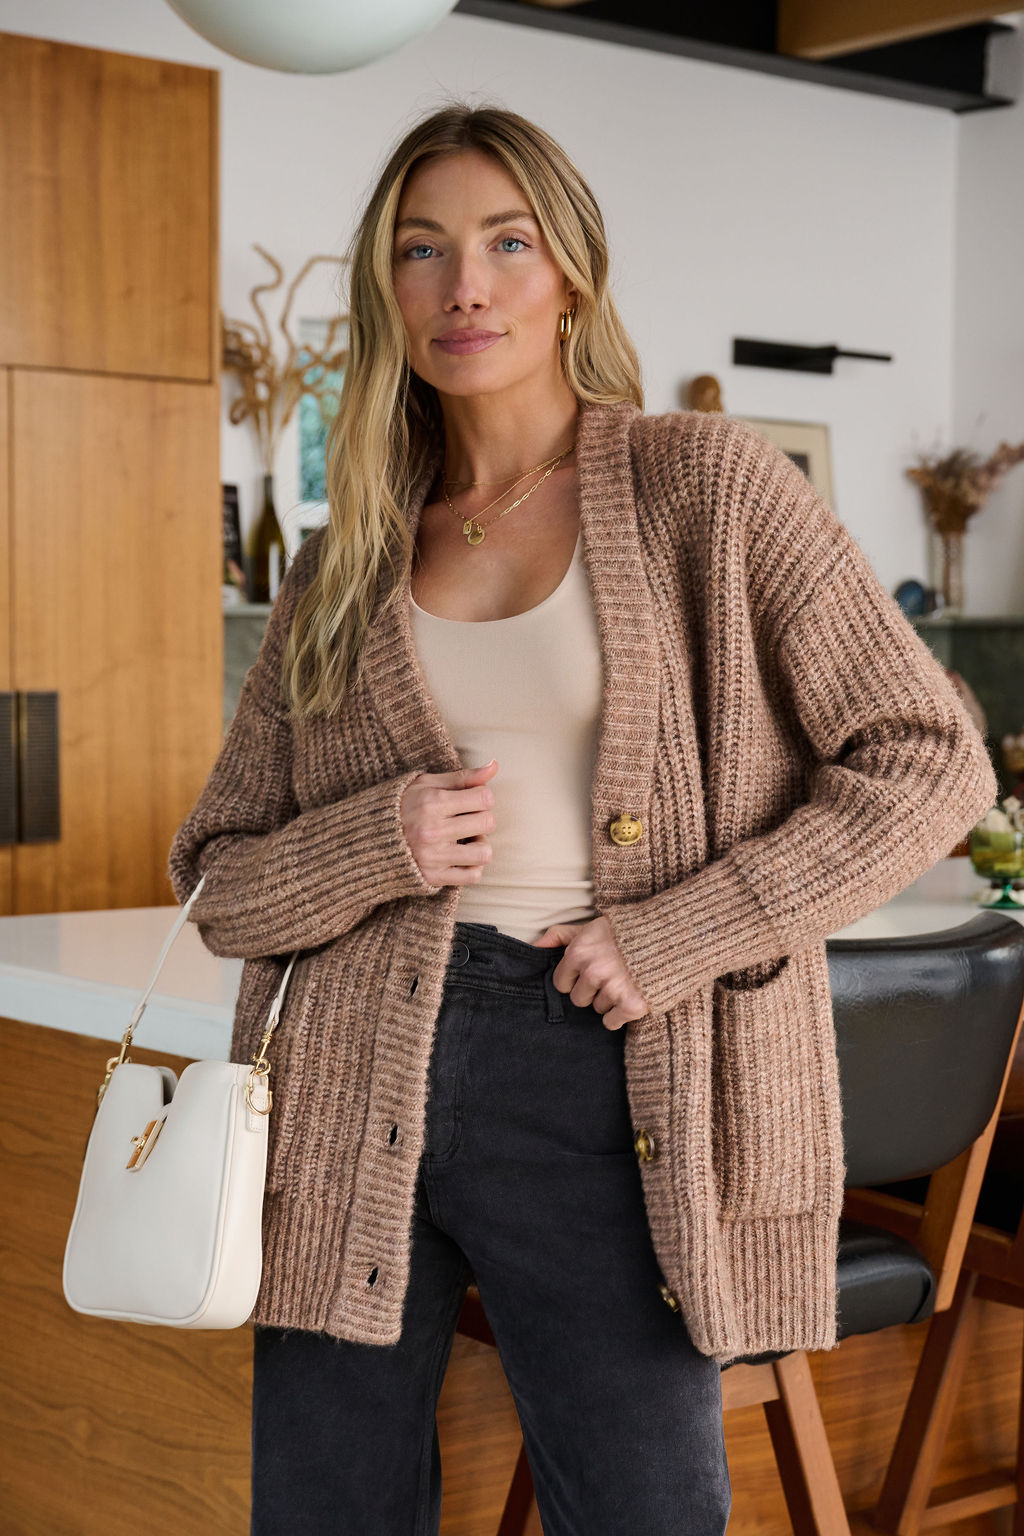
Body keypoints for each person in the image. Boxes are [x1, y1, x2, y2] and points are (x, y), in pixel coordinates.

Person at [168, 103, 997, 1535]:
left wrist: (681, 931)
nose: (463, 286)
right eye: (421, 251)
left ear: (572, 275)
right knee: (324, 1506)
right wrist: (380, 841)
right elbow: (220, 885)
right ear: (388, 289)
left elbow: (933, 759)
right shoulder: (348, 550)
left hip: (608, 1071)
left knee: (642, 1506)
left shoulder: (708, 488)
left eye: (506, 242)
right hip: (349, 1064)